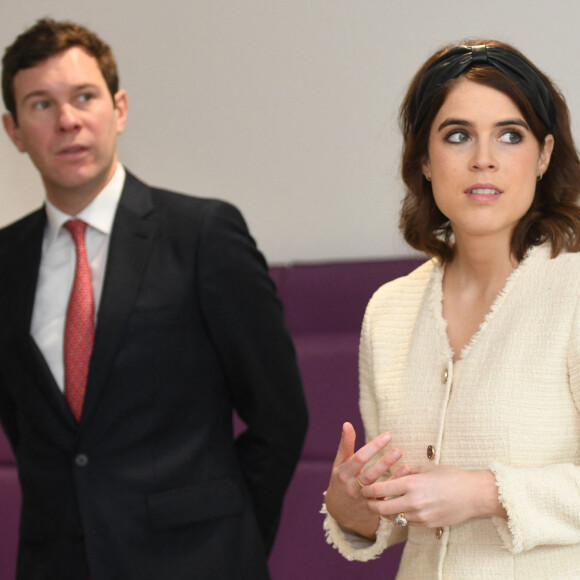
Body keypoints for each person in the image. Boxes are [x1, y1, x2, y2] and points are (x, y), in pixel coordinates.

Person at [0, 18, 308, 580]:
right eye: (41, 105)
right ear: (14, 131)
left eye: (83, 97)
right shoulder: (5, 263)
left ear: (118, 109)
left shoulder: (202, 234)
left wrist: (231, 541)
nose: (67, 120)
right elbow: (33, 437)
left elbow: (280, 416)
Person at [322, 40, 580, 578]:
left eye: (510, 135)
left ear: (545, 155)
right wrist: (351, 509)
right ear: (424, 158)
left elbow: (461, 496)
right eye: (457, 135)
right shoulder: (389, 310)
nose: (483, 158)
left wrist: (486, 492)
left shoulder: (573, 290)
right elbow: (399, 513)